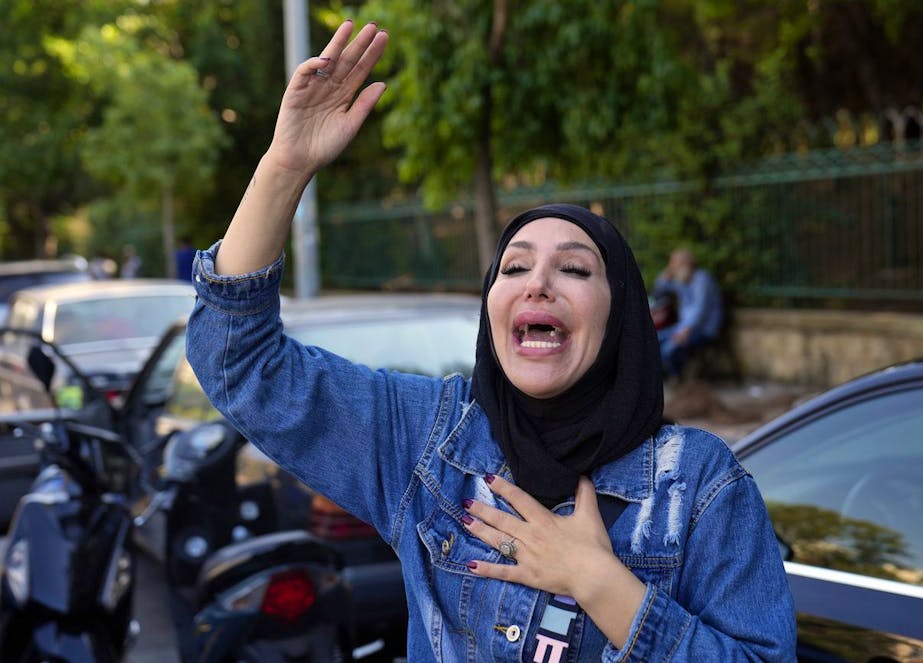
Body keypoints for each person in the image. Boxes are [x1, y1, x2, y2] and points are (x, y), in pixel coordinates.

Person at [185, 21, 795, 662]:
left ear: (621, 317)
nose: (538, 284)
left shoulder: (699, 486)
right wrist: (285, 166)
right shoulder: (430, 439)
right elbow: (240, 363)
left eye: (575, 269)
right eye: (514, 266)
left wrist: (600, 583)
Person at [651, 248, 724, 378]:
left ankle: (678, 380)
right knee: (652, 340)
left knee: (668, 350)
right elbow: (661, 286)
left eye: (676, 264)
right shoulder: (683, 281)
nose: (673, 267)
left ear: (687, 264)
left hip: (702, 330)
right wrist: (668, 272)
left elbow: (701, 310)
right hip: (682, 328)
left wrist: (686, 330)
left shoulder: (702, 279)